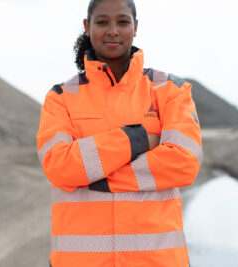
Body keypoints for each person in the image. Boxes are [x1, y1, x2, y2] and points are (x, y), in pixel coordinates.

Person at [36, 0, 202, 266]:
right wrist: (136, 139)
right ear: (87, 27)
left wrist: (96, 177)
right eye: (102, 22)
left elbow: (184, 164)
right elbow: (59, 166)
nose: (113, 30)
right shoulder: (61, 97)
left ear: (135, 27)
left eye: (123, 22)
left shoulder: (170, 90)